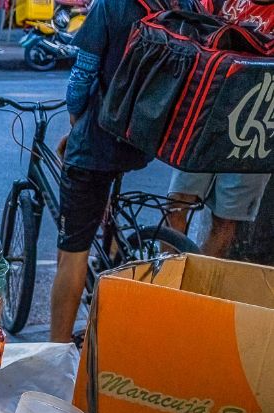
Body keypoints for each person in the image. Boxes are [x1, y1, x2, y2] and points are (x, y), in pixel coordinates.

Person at [47, 0, 169, 343]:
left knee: (72, 252)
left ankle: (56, 351)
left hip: (97, 141)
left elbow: (83, 76)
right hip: (141, 139)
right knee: (108, 211)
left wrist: (75, 118)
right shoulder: (178, 3)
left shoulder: (112, 5)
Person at [164, 0, 274, 258]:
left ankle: (198, 287)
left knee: (226, 220)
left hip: (252, 130)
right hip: (205, 116)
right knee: (177, 205)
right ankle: (169, 280)